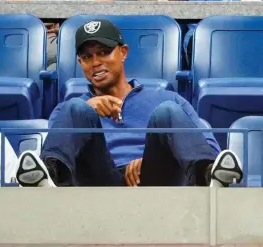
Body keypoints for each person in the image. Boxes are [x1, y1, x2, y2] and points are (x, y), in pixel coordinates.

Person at [15, 19, 244, 188]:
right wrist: (88, 109)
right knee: (74, 107)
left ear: (123, 52)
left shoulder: (168, 98)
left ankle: (209, 181)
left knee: (167, 112)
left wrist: (150, 161)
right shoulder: (70, 110)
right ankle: (47, 185)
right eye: (87, 57)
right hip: (99, 183)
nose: (95, 62)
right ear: (80, 62)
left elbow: (210, 148)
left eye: (104, 52)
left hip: (156, 178)